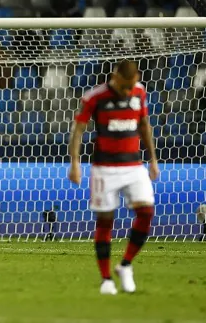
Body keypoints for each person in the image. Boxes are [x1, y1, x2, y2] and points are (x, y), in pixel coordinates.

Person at [68, 60, 159, 295]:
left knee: (147, 212)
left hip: (133, 166)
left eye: (132, 85)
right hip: (104, 169)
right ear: (114, 77)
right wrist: (75, 163)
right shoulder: (94, 97)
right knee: (105, 222)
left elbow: (144, 125)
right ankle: (106, 278)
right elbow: (78, 129)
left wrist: (153, 159)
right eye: (125, 86)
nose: (129, 91)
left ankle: (125, 264)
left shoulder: (140, 92)